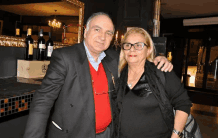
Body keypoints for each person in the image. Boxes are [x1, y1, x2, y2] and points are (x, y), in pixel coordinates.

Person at [23, 12, 173, 138]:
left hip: (108, 133)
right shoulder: (65, 57)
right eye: (97, 29)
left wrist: (157, 59)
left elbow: (138, 57)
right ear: (85, 31)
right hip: (73, 134)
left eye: (108, 33)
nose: (103, 36)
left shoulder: (114, 59)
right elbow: (42, 102)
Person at [116, 27, 192, 138]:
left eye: (138, 45)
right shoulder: (118, 74)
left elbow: (183, 103)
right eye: (128, 45)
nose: (132, 49)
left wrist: (175, 135)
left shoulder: (162, 72)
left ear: (149, 49)